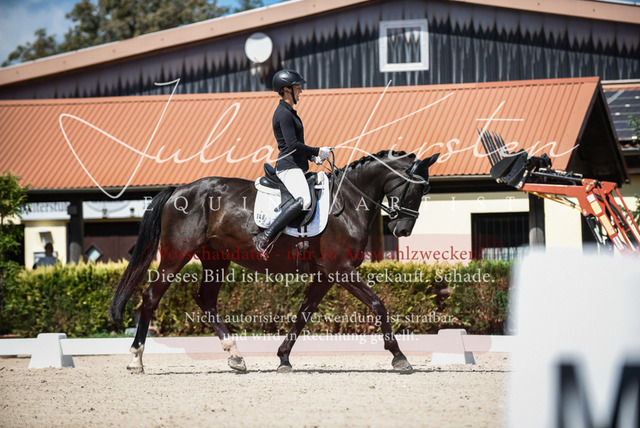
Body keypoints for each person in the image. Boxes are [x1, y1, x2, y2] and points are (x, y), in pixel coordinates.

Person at [253, 69, 332, 259]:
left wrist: (313, 157)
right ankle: (265, 237)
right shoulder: (283, 113)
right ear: (286, 89)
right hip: (288, 167)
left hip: (296, 164)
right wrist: (317, 151)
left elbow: (296, 146)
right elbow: (291, 145)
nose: (301, 91)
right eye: (298, 87)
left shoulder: (289, 112)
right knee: (304, 199)